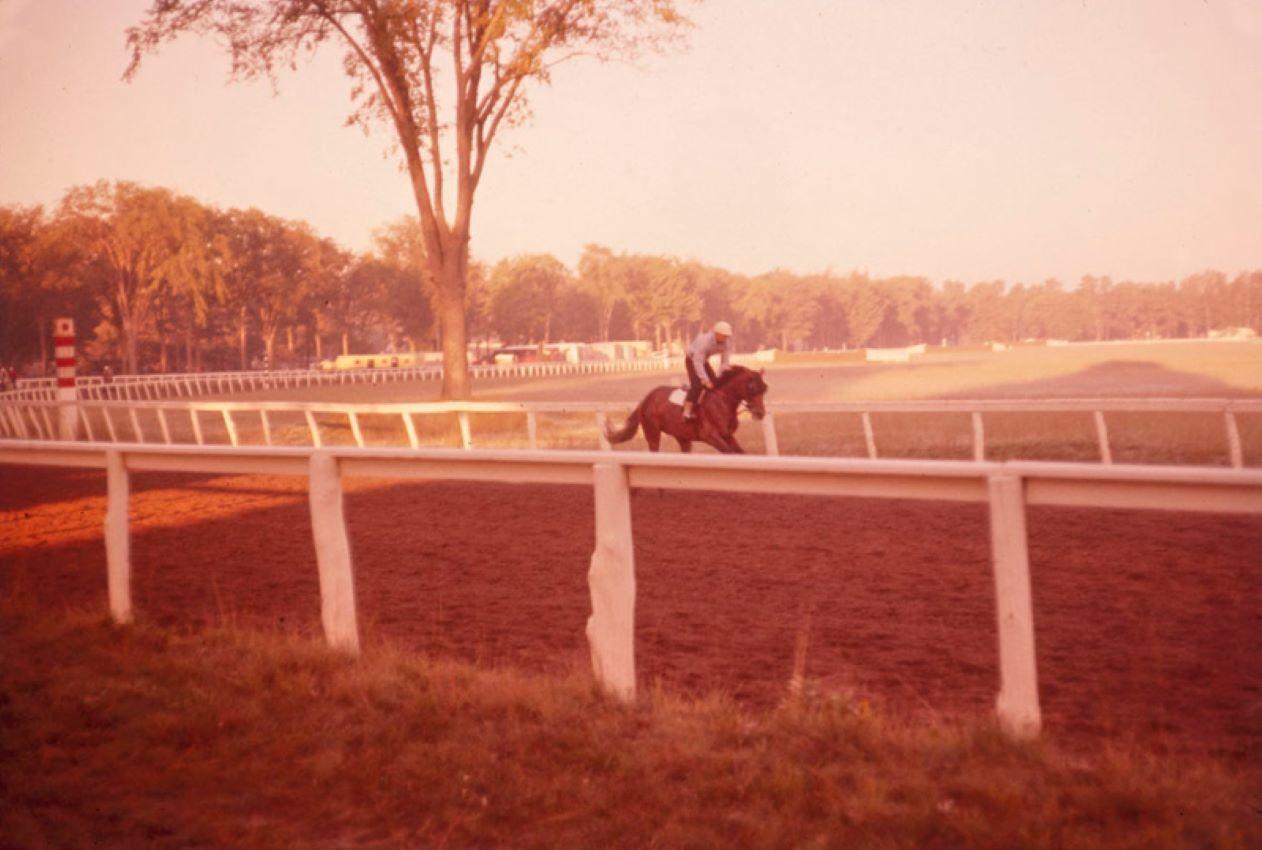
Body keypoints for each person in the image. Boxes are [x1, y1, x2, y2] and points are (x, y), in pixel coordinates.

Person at [683, 321, 733, 420]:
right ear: (717, 334)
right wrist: (705, 380)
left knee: (715, 384)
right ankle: (687, 411)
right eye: (724, 336)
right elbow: (697, 361)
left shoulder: (726, 343)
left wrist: (719, 377)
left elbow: (724, 363)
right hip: (692, 359)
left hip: (704, 361)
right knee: (697, 386)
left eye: (727, 336)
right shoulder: (705, 341)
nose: (726, 338)